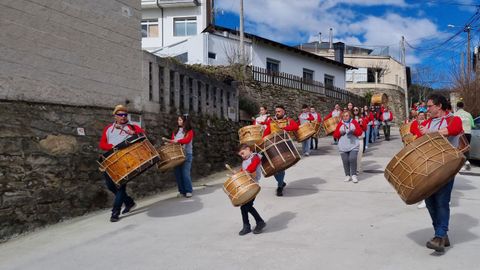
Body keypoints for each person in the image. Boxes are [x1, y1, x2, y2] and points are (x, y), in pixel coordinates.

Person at [418, 94, 463, 252]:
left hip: (446, 167)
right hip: (429, 168)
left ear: (439, 106)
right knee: (430, 202)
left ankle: (439, 237)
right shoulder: (428, 122)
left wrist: (429, 133)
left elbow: (454, 130)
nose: (427, 109)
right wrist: (421, 132)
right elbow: (416, 135)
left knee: (442, 201)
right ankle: (442, 234)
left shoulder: (453, 119)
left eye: (429, 106)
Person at [99, 105, 142, 222]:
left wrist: (126, 131)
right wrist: (113, 147)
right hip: (111, 160)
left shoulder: (132, 127)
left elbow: (141, 136)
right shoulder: (108, 129)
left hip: (126, 160)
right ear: (115, 116)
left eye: (125, 115)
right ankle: (129, 202)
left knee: (121, 186)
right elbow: (102, 144)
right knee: (110, 185)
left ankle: (115, 212)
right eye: (120, 115)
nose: (123, 117)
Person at [263, 105, 299, 196]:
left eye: (279, 111)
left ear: (283, 112)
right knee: (275, 168)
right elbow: (266, 133)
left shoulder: (288, 120)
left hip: (284, 147)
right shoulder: (271, 122)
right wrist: (262, 141)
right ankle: (281, 183)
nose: (277, 113)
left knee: (281, 167)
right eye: (276, 111)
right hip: (273, 147)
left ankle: (280, 186)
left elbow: (295, 127)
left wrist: (284, 129)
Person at [237, 144, 267, 235]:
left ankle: (258, 222)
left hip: (253, 186)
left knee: (246, 206)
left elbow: (252, 167)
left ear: (248, 149)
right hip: (247, 185)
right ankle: (248, 226)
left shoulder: (256, 157)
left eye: (243, 153)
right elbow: (243, 171)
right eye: (240, 155)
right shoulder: (244, 161)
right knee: (244, 207)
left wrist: (244, 172)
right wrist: (238, 174)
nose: (242, 156)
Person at [333, 110, 363, 183]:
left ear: (349, 116)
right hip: (343, 146)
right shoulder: (340, 124)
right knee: (345, 161)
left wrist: (353, 131)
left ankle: (354, 175)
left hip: (353, 145)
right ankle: (347, 175)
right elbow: (335, 135)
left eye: (347, 115)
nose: (345, 117)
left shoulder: (354, 122)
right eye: (344, 116)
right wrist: (340, 133)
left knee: (352, 159)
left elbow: (360, 132)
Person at [170, 115, 194, 198]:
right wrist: (171, 142)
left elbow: (187, 140)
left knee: (185, 173)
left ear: (184, 121)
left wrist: (177, 141)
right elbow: (172, 140)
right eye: (178, 120)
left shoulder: (189, 131)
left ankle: (188, 190)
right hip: (177, 155)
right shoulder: (175, 131)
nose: (178, 121)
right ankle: (181, 191)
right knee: (178, 174)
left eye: (180, 120)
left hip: (187, 154)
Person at [409, 111, 427, 209]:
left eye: (422, 116)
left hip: (425, 147)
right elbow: (411, 132)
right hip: (416, 148)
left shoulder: (427, 123)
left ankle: (425, 199)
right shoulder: (414, 123)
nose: (421, 117)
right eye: (419, 116)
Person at [454, 101, 475, 171]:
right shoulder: (468, 114)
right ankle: (467, 162)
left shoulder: (455, 114)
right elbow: (473, 125)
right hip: (468, 133)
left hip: (460, 133)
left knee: (459, 149)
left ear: (457, 107)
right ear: (463, 106)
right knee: (466, 148)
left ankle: (462, 164)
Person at [353, 107, 366, 173]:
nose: (355, 111)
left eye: (356, 110)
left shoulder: (362, 118)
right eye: (354, 110)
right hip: (352, 138)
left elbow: (365, 128)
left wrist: (361, 124)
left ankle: (357, 169)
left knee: (359, 153)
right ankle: (353, 168)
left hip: (360, 138)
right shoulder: (351, 119)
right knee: (353, 155)